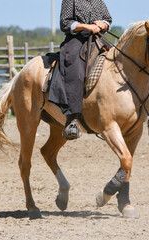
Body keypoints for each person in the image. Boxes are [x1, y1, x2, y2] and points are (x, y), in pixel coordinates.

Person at [48, 0, 112, 140]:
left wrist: (103, 24)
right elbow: (65, 23)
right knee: (75, 70)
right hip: (76, 40)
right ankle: (72, 119)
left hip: (98, 39)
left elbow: (107, 18)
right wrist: (86, 26)